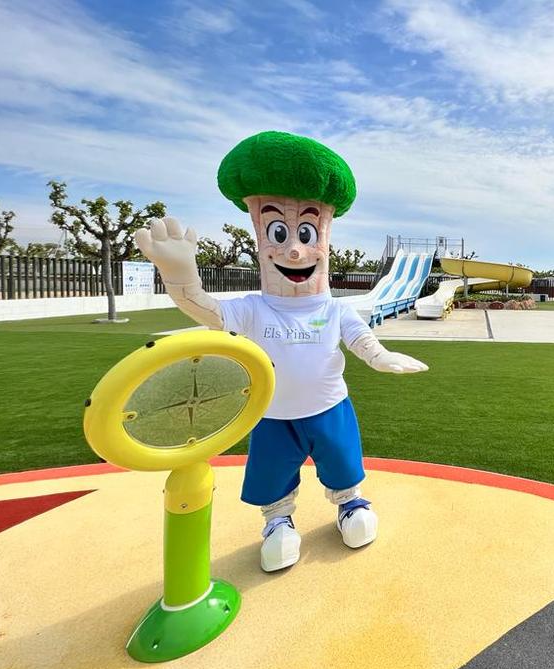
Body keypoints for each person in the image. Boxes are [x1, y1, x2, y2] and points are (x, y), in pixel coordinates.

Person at [135, 131, 428, 572]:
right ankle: (277, 521)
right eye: (278, 232)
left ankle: (350, 504)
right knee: (272, 471)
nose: (294, 249)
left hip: (329, 406)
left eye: (307, 233)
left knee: (343, 460)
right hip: (272, 413)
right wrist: (181, 279)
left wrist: (380, 356)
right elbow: (209, 311)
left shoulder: (334, 308)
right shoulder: (254, 308)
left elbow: (360, 338)